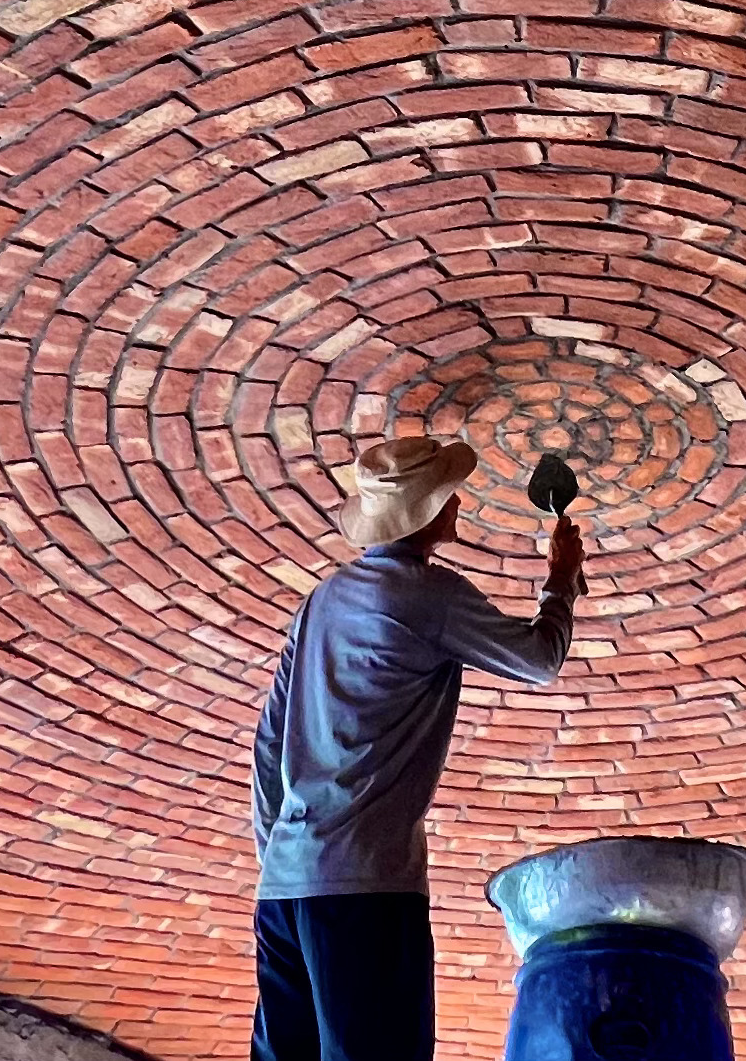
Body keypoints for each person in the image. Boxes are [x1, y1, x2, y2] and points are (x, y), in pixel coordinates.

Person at [248, 434, 589, 1061]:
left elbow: (270, 741)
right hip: (364, 887)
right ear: (424, 514)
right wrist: (561, 579)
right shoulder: (428, 594)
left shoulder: (321, 600)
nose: (456, 503)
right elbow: (540, 660)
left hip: (283, 884)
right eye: (446, 495)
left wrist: (282, 857)